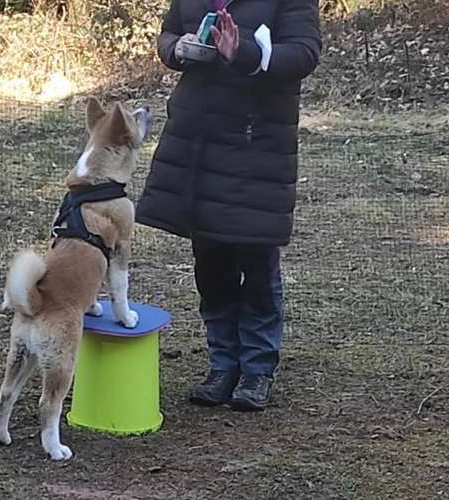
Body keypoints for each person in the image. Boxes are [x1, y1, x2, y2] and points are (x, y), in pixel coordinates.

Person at [135, 0, 322, 410]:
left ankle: (257, 370)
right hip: (197, 144)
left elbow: (305, 51)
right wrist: (177, 49)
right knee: (211, 259)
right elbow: (166, 35)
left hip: (256, 141)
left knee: (256, 261)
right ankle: (222, 366)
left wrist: (247, 55)